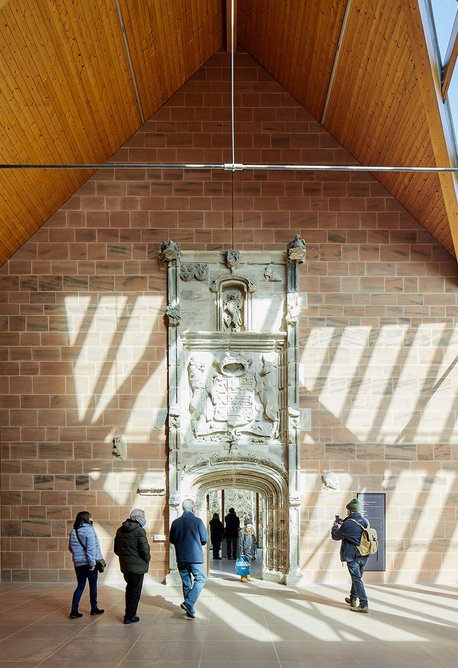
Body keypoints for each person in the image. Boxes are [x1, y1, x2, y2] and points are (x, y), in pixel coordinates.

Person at [170, 499, 208, 619]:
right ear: (193, 508)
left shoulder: (175, 522)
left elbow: (172, 539)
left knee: (186, 582)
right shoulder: (197, 521)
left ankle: (189, 609)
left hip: (181, 557)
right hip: (195, 557)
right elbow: (204, 539)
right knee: (200, 579)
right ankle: (189, 603)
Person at [331, 498, 370, 613]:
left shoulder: (348, 524)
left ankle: (363, 604)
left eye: (347, 510)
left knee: (357, 579)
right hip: (364, 554)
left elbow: (335, 536)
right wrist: (345, 522)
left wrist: (335, 526)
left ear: (350, 511)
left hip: (352, 556)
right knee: (357, 578)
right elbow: (355, 530)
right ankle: (353, 598)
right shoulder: (364, 521)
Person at [114, 508, 151, 624]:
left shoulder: (120, 530)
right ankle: (130, 616)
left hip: (126, 566)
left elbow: (116, 549)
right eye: (143, 517)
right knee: (135, 592)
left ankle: (129, 614)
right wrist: (147, 559)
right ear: (137, 518)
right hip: (137, 567)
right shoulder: (139, 530)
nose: (144, 519)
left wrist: (125, 558)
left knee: (130, 589)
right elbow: (144, 549)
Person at [68, 510, 105, 619]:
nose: (92, 519)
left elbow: (70, 548)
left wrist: (78, 554)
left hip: (78, 564)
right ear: (86, 519)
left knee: (80, 586)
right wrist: (92, 563)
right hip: (89, 563)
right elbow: (91, 549)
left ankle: (74, 611)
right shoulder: (89, 530)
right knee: (93, 586)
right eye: (90, 517)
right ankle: (94, 608)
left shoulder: (73, 531)